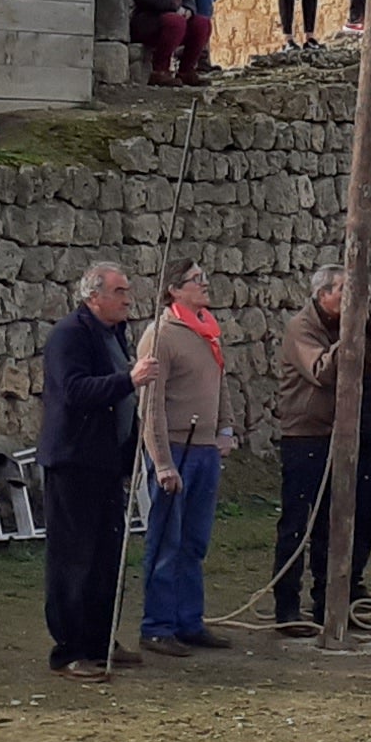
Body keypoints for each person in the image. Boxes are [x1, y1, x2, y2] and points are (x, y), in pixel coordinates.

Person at [35, 260, 163, 681]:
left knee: (107, 557)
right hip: (75, 462)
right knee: (75, 558)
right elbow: (74, 391)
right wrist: (130, 379)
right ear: (94, 297)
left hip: (107, 462)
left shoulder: (113, 334)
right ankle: (70, 650)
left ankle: (99, 639)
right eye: (119, 291)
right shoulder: (69, 336)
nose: (128, 299)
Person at [269, 267, 371, 633]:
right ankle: (286, 608)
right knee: (298, 523)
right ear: (323, 294)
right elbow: (322, 371)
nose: (352, 297)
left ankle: (329, 602)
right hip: (307, 436)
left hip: (343, 435)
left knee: (336, 522)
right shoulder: (301, 328)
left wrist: (369, 333)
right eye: (344, 290)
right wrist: (350, 334)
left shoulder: (355, 324)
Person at [137, 257, 234, 656]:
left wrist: (224, 427)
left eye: (204, 277)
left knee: (194, 541)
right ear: (174, 289)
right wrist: (161, 461)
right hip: (176, 448)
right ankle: (157, 625)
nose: (204, 284)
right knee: (167, 541)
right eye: (196, 279)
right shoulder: (161, 336)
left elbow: (219, 382)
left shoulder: (207, 330)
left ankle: (188, 621)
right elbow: (151, 405)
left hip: (204, 449)